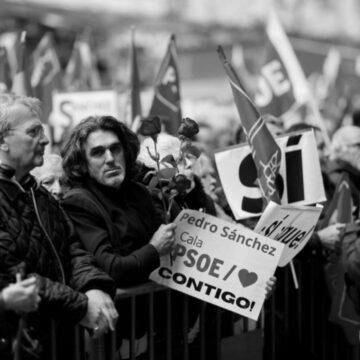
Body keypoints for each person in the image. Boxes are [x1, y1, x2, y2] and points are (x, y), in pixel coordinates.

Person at [0, 94, 118, 360]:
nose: (44, 139)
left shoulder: (38, 193)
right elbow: (15, 275)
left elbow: (74, 248)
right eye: (33, 132)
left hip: (61, 341)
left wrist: (93, 287)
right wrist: (80, 306)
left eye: (42, 131)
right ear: (3, 140)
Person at [61, 115, 176, 359]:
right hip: (117, 337)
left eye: (115, 148)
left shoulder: (140, 192)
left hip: (160, 327)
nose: (110, 159)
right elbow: (112, 269)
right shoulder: (78, 201)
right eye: (98, 152)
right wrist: (154, 249)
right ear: (82, 163)